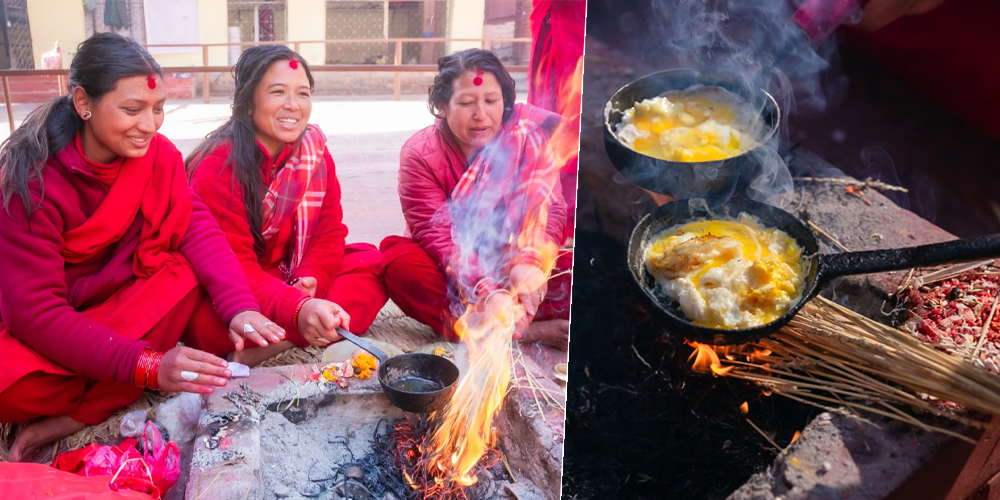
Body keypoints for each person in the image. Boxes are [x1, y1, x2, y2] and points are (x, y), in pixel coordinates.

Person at [0, 33, 278, 462]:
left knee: (184, 278)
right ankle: (105, 392)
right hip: (59, 327)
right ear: (82, 102)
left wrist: (240, 305)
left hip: (131, 306)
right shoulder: (30, 181)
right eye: (133, 109)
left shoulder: (158, 156)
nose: (149, 125)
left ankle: (84, 410)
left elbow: (195, 226)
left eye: (158, 108)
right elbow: (34, 313)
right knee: (12, 385)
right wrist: (146, 365)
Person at [187, 45, 389, 366]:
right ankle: (302, 329)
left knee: (371, 264)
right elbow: (231, 264)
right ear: (248, 101)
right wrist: (297, 308)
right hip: (238, 287)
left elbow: (330, 231)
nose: (293, 106)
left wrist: (311, 279)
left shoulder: (314, 153)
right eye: (278, 92)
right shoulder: (218, 164)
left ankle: (273, 344)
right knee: (198, 318)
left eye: (303, 93)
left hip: (292, 277)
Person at [380, 49, 571, 351]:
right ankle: (528, 331)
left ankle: (503, 322)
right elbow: (438, 237)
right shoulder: (419, 154)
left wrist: (532, 261)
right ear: (442, 106)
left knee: (582, 272)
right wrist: (487, 291)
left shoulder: (527, 137)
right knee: (399, 265)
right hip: (455, 268)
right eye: (467, 103)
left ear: (505, 103)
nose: (481, 114)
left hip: (513, 260)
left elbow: (552, 209)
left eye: (491, 101)